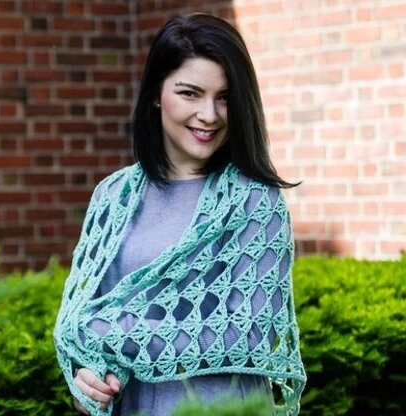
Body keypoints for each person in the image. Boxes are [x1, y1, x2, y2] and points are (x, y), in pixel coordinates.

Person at [54, 13, 306, 416]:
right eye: (190, 93)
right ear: (157, 93)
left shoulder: (254, 201)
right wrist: (86, 381)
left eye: (224, 97)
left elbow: (245, 333)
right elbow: (84, 328)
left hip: (221, 408)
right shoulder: (113, 196)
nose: (210, 114)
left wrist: (111, 332)